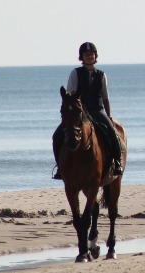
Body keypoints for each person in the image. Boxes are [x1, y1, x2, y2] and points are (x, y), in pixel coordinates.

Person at [52, 42, 123, 179]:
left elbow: (105, 97)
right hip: (80, 111)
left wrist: (108, 116)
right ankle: (60, 168)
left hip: (97, 109)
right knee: (57, 136)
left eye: (91, 54)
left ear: (95, 56)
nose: (89, 57)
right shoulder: (75, 73)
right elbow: (70, 94)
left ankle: (117, 161)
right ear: (82, 57)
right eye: (86, 55)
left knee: (111, 131)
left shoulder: (101, 75)